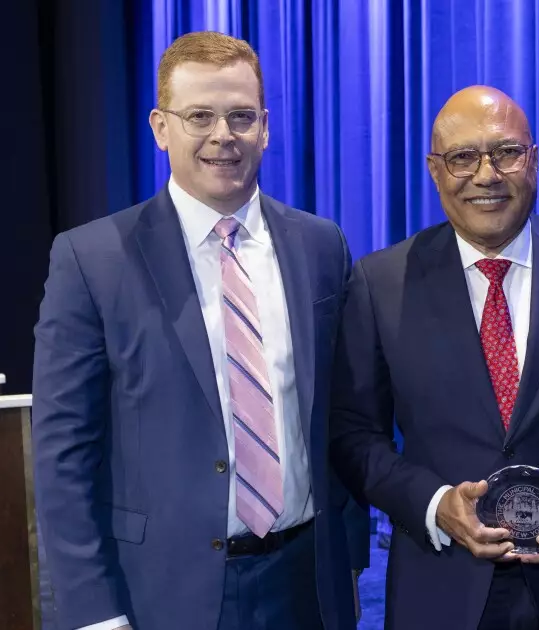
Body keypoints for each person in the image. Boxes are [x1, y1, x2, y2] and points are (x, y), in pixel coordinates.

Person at [31, 31, 366, 630]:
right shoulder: (91, 259)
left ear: (264, 125)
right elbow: (63, 454)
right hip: (159, 594)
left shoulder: (321, 246)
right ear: (161, 128)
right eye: (199, 117)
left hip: (308, 585)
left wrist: (352, 558)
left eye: (240, 116)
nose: (222, 135)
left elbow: (344, 417)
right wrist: (93, 613)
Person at [329, 85, 539, 630]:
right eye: (464, 157)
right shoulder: (379, 282)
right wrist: (434, 503)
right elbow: (351, 433)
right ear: (435, 170)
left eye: (507, 152)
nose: (487, 175)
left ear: (533, 160)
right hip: (439, 588)